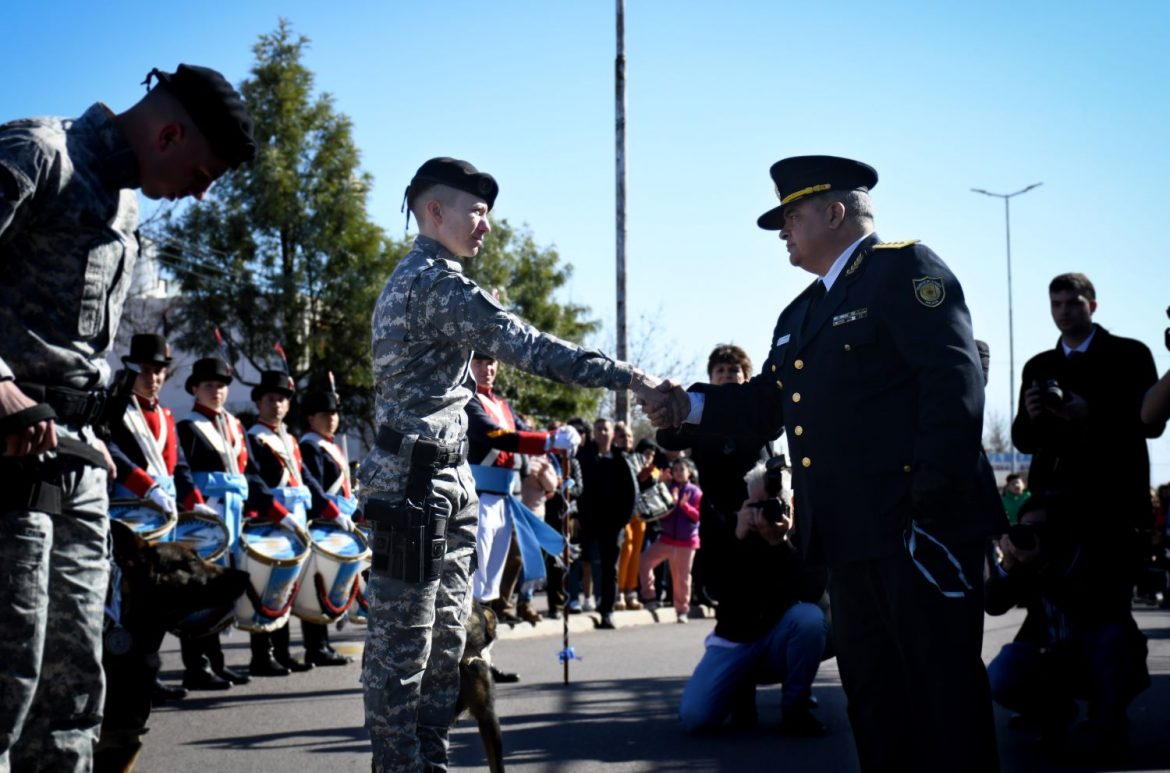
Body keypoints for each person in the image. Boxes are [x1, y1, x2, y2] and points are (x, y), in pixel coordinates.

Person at [645, 155, 1006, 772]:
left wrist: (931, 500)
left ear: (834, 212)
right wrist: (688, 404)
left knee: (942, 694)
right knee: (873, 697)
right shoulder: (800, 314)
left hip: (914, 533)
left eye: (791, 216)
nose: (783, 231)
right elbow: (764, 405)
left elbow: (954, 381)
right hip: (847, 539)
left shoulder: (904, 269)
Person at [358, 156, 665, 772]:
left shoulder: (437, 278)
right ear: (433, 211)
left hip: (445, 481)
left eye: (488, 215)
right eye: (475, 212)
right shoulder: (433, 284)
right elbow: (524, 343)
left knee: (448, 648)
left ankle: (430, 763)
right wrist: (629, 378)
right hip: (414, 488)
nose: (486, 226)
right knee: (403, 652)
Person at [0, 63, 254, 771]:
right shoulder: (36, 155)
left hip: (74, 463)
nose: (201, 193)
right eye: (202, 172)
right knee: (8, 680)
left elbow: (81, 341)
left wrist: (93, 428)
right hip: (8, 457)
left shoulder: (127, 206)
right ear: (169, 132)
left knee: (76, 687)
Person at [1012, 273, 1164, 601]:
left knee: (1108, 608)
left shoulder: (1130, 356)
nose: (1063, 311)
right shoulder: (1039, 366)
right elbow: (1022, 441)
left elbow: (1152, 426)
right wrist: (1033, 414)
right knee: (1054, 608)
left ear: (1092, 306)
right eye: (1056, 304)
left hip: (1113, 504)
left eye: (1072, 303)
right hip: (1053, 505)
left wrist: (1091, 412)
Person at [985, 495, 1149, 759]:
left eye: (1040, 528)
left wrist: (1045, 567)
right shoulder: (1028, 560)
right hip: (1051, 660)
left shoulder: (1091, 556)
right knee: (1003, 670)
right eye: (1025, 527)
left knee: (1113, 639)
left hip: (1102, 657)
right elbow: (993, 605)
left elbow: (1094, 609)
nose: (1032, 535)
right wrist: (1007, 566)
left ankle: (1108, 723)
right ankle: (1055, 711)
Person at [104, 334, 222, 695]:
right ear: (131, 370)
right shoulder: (117, 409)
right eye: (145, 370)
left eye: (158, 371)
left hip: (166, 515)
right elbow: (112, 451)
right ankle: (125, 676)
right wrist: (147, 486)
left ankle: (149, 674)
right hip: (131, 514)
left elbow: (180, 468)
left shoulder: (166, 416)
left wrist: (194, 500)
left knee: (155, 599)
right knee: (126, 597)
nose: (152, 378)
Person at [678, 460, 828, 736]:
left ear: (789, 506)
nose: (765, 515)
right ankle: (738, 690)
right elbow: (708, 589)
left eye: (772, 506)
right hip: (735, 640)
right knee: (694, 717)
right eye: (757, 506)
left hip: (778, 642)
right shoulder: (731, 530)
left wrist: (780, 545)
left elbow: (813, 592)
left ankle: (795, 707)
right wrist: (737, 538)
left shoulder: (802, 536)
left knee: (810, 619)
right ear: (745, 502)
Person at [245, 370, 352, 675]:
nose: (276, 405)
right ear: (258, 402)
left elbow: (303, 481)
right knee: (268, 588)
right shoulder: (255, 437)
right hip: (270, 521)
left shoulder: (288, 440)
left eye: (281, 399)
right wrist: (281, 513)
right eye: (270, 399)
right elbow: (256, 483)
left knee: (290, 588)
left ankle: (282, 651)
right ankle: (262, 655)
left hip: (296, 521)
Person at [176, 356, 254, 688]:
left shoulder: (234, 426)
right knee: (199, 588)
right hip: (205, 515)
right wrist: (196, 504)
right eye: (209, 386)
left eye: (221, 386)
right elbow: (181, 471)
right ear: (195, 389)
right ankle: (197, 665)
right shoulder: (188, 426)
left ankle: (216, 661)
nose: (216, 392)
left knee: (221, 589)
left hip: (233, 513)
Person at [298, 389, 360, 666]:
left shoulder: (330, 445)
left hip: (339, 519)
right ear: (311, 418)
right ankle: (316, 646)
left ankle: (322, 644)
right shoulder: (310, 446)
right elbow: (316, 489)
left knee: (332, 584)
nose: (331, 419)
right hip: (323, 521)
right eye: (324, 414)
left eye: (334, 414)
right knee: (318, 585)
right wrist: (333, 512)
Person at [574, 417, 640, 629]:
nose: (603, 433)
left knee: (609, 567)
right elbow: (574, 486)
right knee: (581, 561)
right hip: (586, 521)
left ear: (613, 433)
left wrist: (623, 520)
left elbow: (632, 493)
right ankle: (575, 600)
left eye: (606, 429)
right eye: (599, 429)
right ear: (594, 432)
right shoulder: (583, 456)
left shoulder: (621, 460)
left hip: (612, 524)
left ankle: (607, 610)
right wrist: (575, 515)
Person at [638, 458, 701, 624]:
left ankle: (682, 611)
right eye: (676, 470)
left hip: (686, 542)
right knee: (645, 561)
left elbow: (697, 517)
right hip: (666, 539)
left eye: (682, 469)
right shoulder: (667, 488)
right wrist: (670, 503)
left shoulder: (695, 491)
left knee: (682, 578)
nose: (679, 473)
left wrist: (684, 506)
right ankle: (650, 597)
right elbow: (660, 515)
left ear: (689, 472)